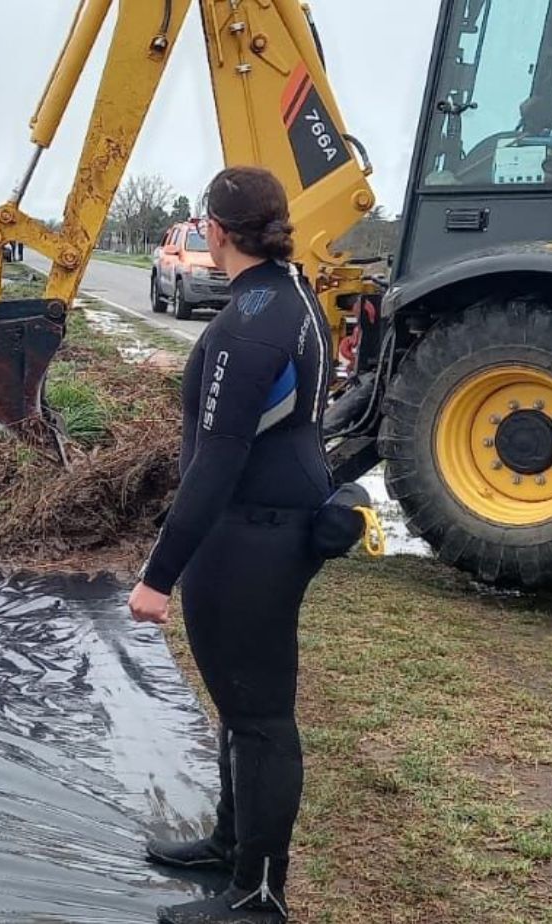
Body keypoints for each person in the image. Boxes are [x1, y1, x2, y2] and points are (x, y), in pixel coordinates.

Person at [130, 166, 335, 924]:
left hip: (250, 533)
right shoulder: (290, 295)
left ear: (215, 231)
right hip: (272, 525)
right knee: (240, 705)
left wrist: (158, 575)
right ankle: (230, 844)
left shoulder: (249, 322)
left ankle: (258, 895)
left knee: (260, 719)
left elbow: (216, 463)